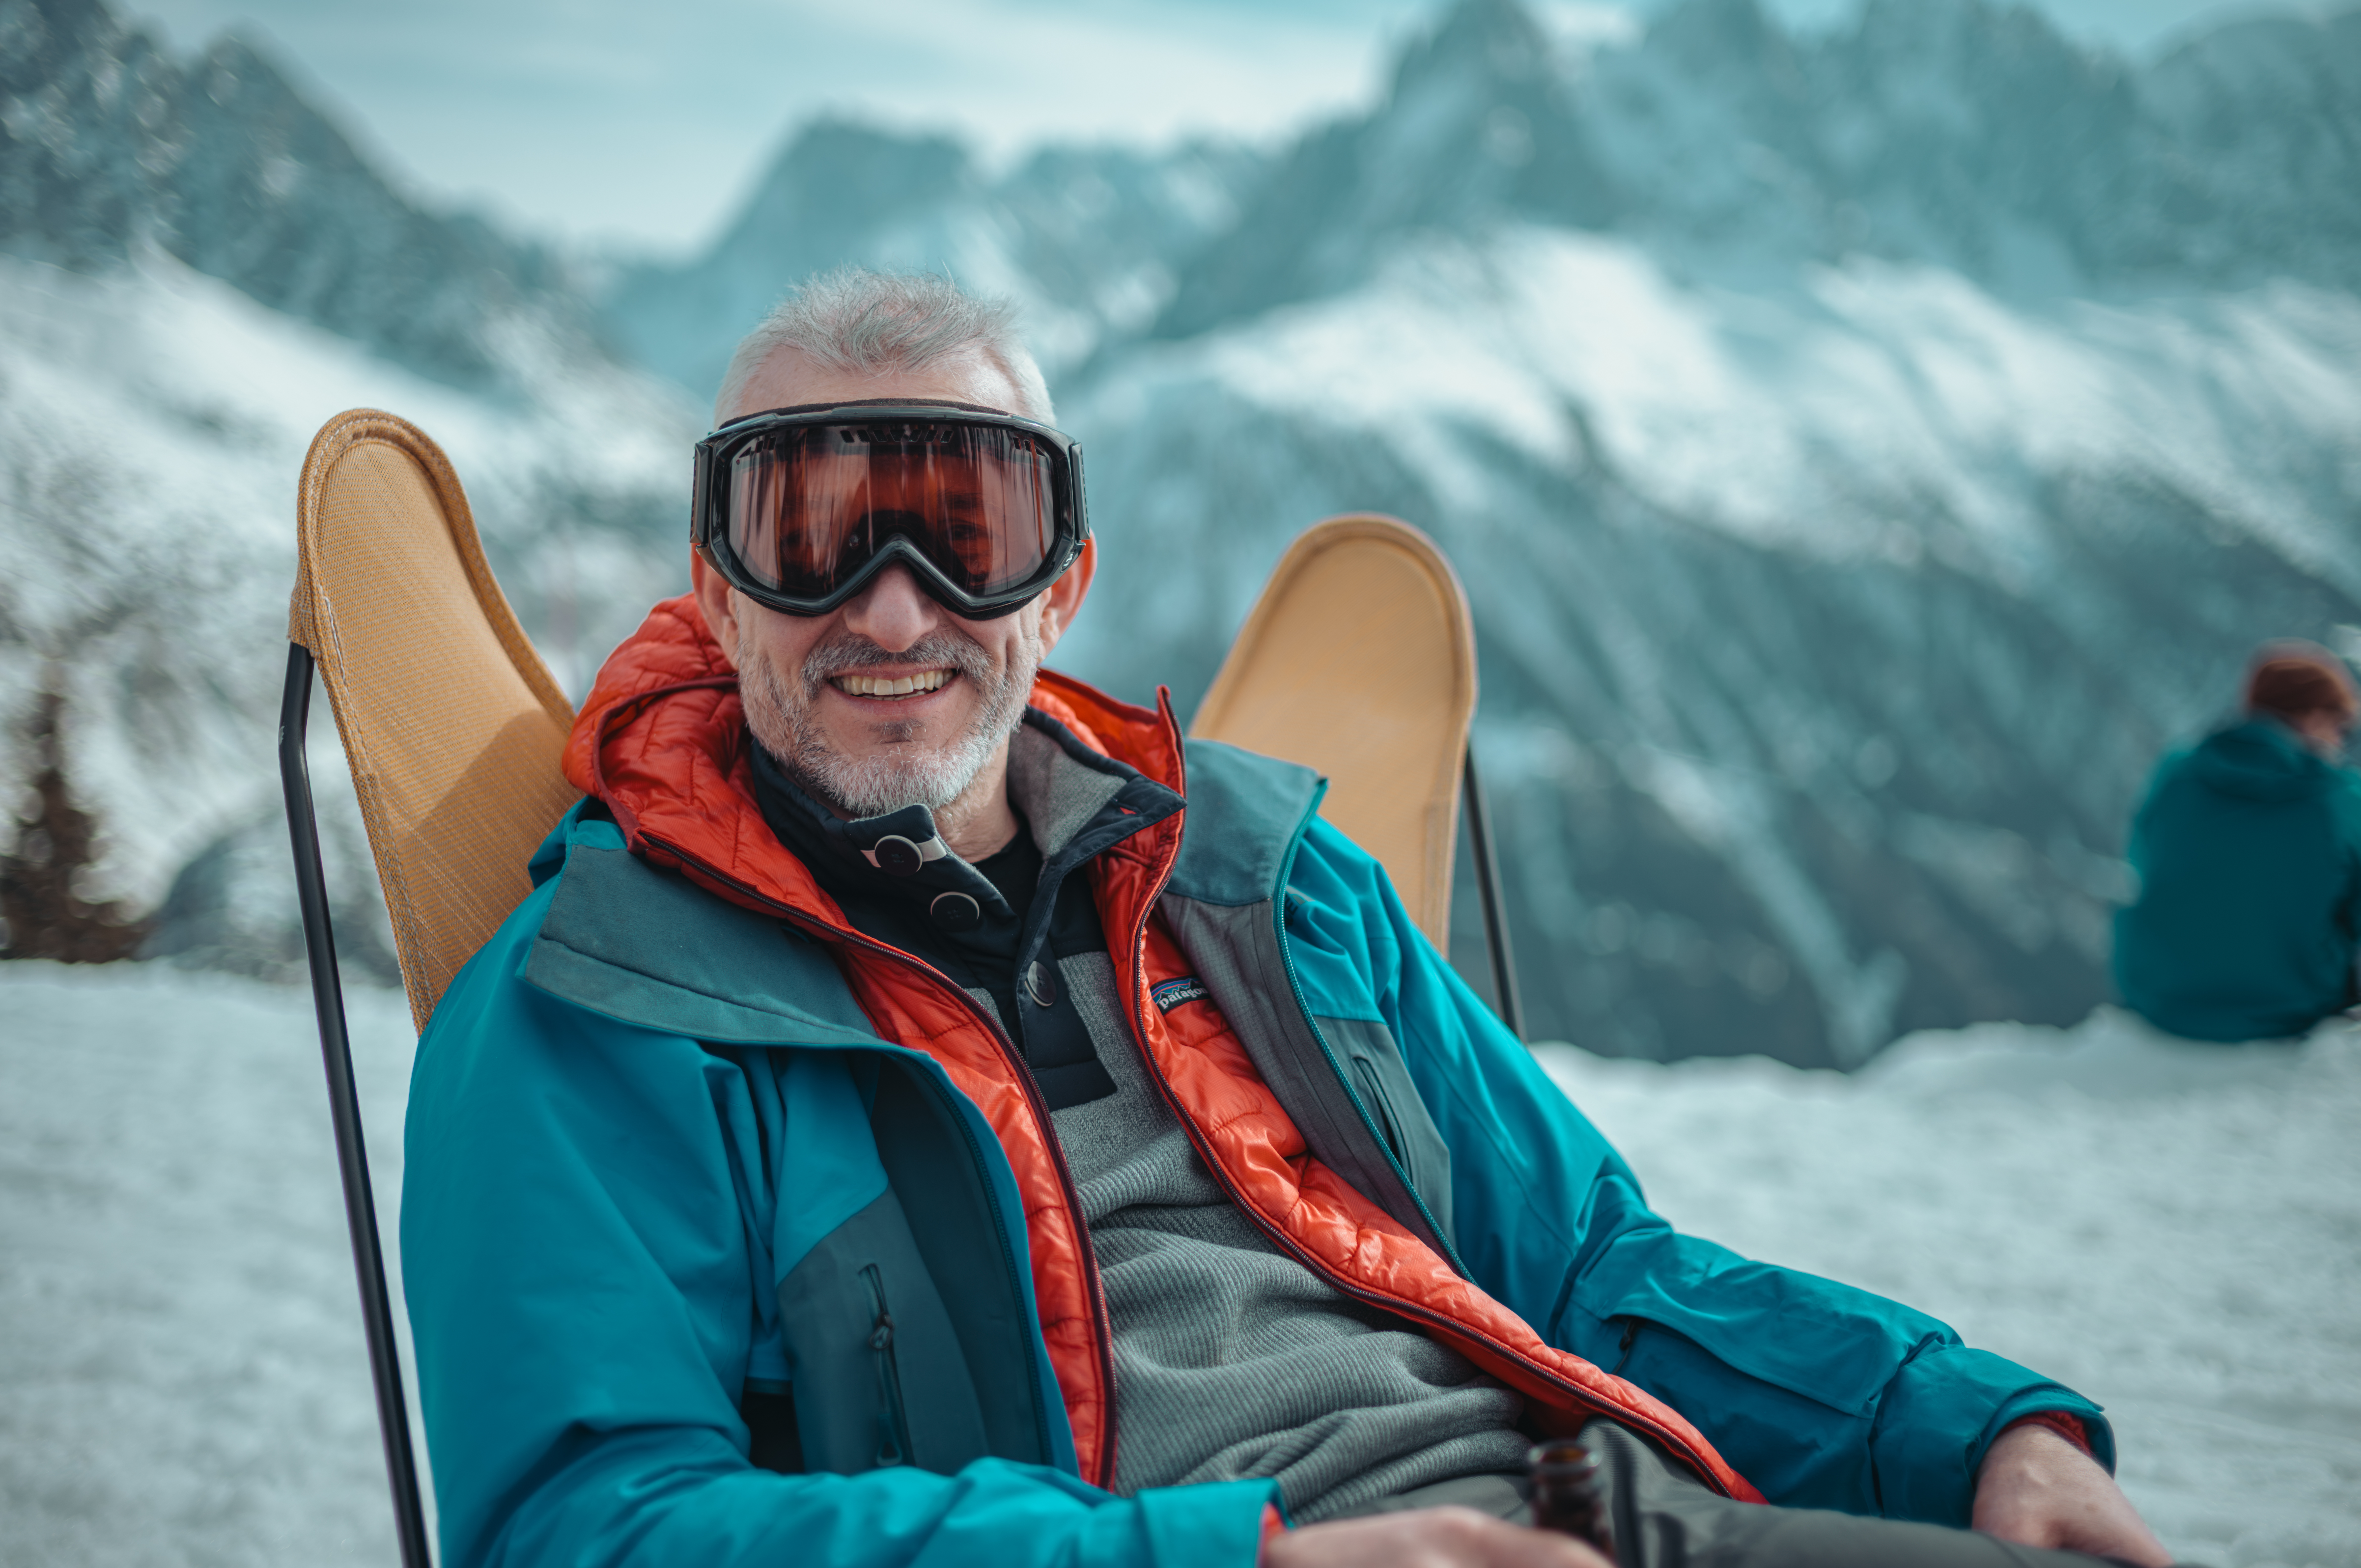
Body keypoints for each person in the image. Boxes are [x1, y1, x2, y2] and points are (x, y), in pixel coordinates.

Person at [401, 268, 2172, 1568]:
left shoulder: (1263, 874)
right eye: (809, 530)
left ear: (1066, 576)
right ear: (713, 586)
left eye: (968, 526)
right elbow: (589, 1522)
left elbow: (1587, 1263)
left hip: (1597, 1512)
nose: (892, 606)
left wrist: (1967, 1426)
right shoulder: (598, 1001)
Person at [2114, 640, 2361, 1042]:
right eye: (2342, 728)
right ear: (2316, 717)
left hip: (2159, 1000)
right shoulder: (2340, 797)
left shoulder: (2178, 772)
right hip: (2288, 1006)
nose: (2341, 744)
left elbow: (2145, 863)